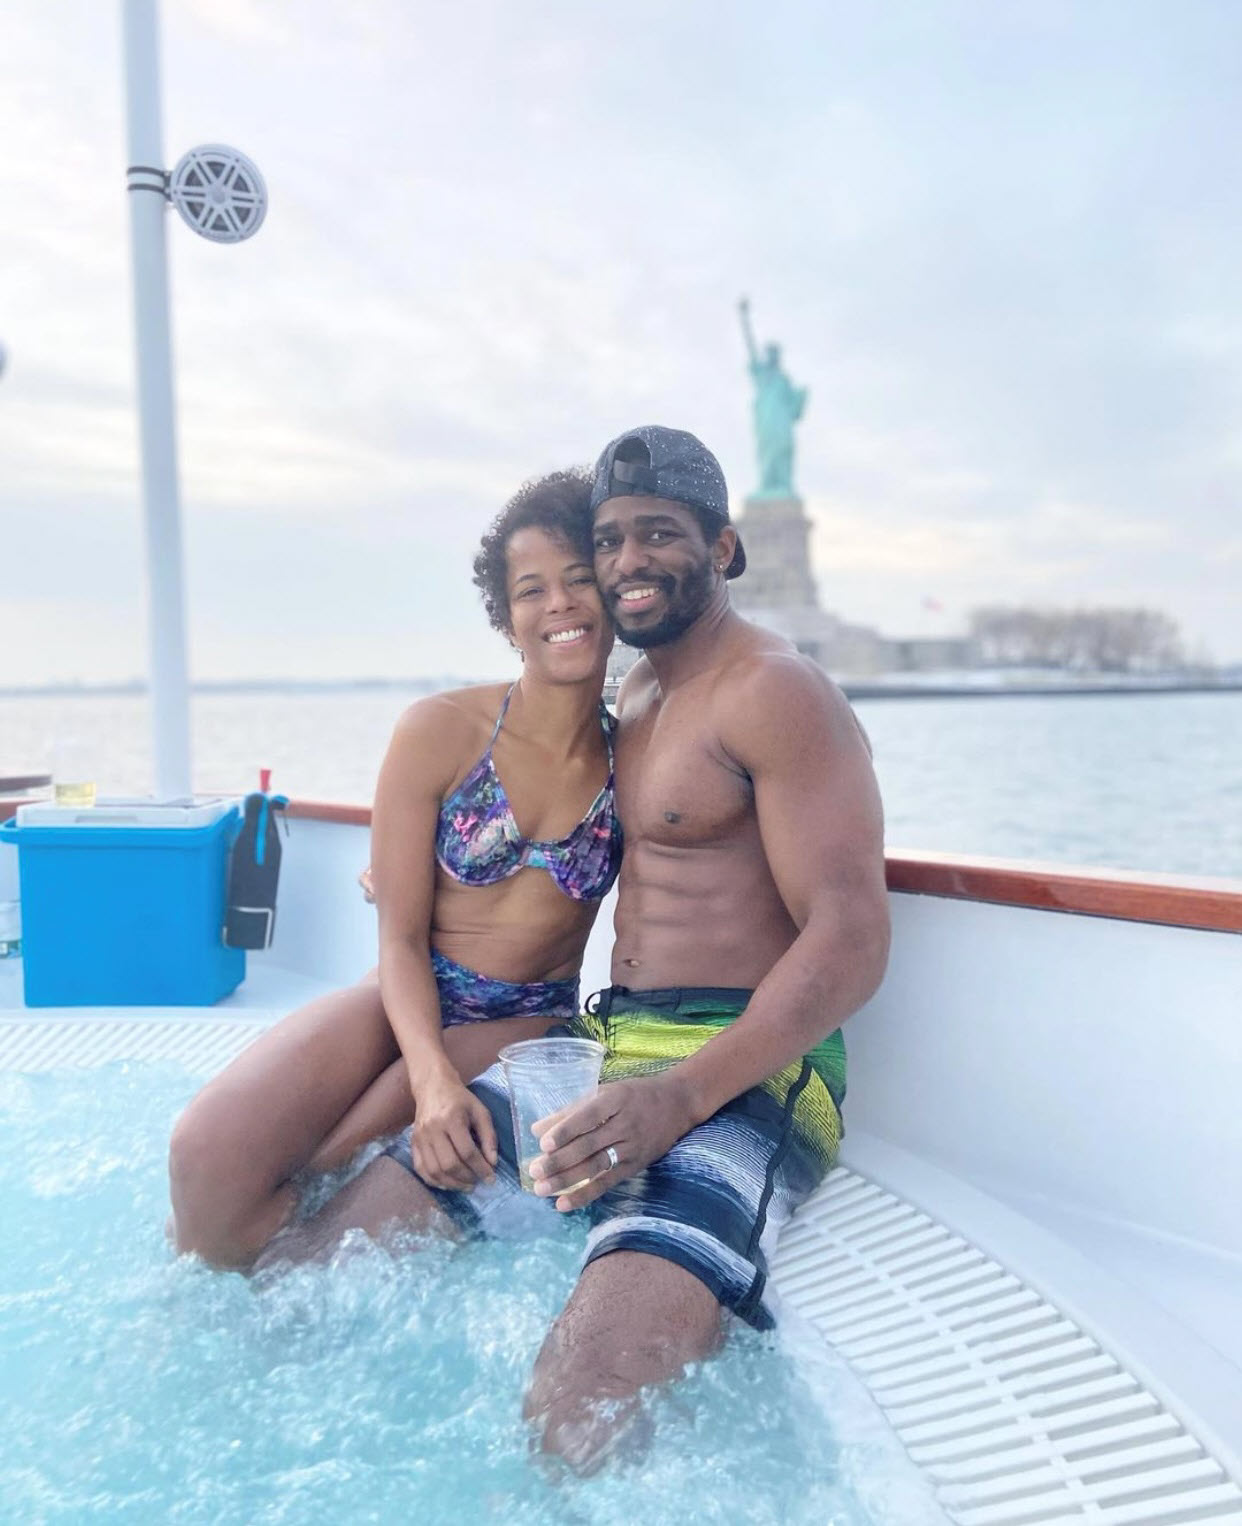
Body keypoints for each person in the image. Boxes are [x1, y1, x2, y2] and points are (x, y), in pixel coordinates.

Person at [279, 425, 890, 1471]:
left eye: (659, 534)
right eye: (609, 540)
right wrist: (404, 870)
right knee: (327, 1259)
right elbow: (539, 825)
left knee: (581, 1401)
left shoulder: (776, 692)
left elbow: (852, 939)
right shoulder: (637, 699)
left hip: (746, 1069)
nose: (626, 564)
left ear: (726, 549)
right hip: (609, 1045)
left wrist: (679, 1096)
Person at [168, 470, 622, 1267]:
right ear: (506, 616)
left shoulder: (638, 752)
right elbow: (402, 939)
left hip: (527, 1022)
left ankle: (265, 1314)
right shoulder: (439, 730)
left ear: (612, 593)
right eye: (531, 589)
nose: (559, 604)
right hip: (412, 986)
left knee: (324, 1176)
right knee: (207, 1152)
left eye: (579, 579)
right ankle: (198, 1305)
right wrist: (432, 1078)